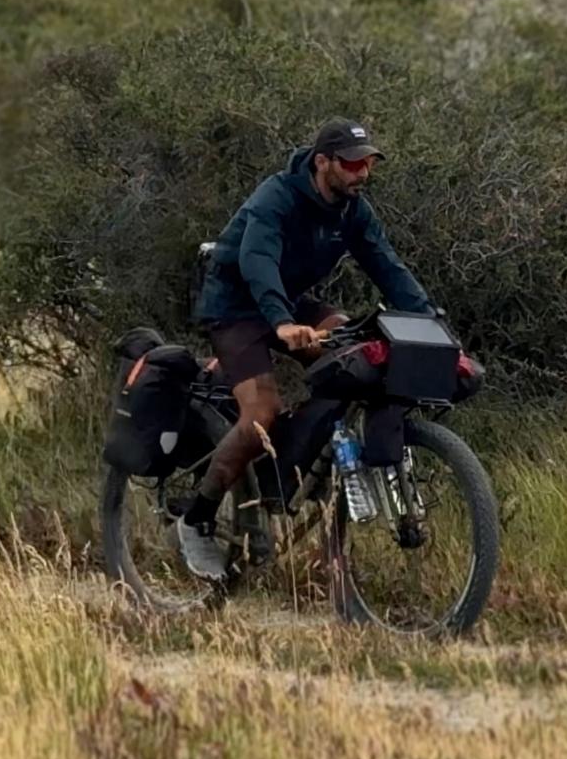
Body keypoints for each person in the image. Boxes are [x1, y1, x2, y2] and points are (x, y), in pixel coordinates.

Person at [177, 116, 436, 579]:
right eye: (352, 164)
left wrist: (432, 322)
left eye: (368, 164)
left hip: (291, 302)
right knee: (261, 413)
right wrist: (281, 322)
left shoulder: (353, 211)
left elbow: (387, 266)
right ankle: (196, 518)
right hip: (236, 305)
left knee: (357, 350)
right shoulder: (276, 197)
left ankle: (297, 459)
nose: (362, 173)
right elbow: (258, 259)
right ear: (322, 163)